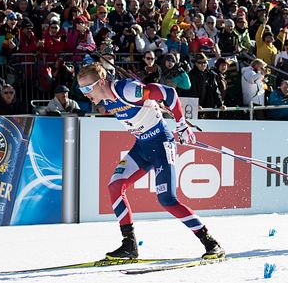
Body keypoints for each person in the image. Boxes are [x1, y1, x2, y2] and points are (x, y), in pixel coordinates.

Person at [76, 62, 224, 260]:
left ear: (101, 82)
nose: (85, 93)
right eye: (81, 89)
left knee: (167, 200)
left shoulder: (127, 91)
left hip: (161, 146)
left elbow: (169, 93)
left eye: (87, 88)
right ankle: (129, 245)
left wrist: (181, 125)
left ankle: (211, 243)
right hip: (142, 147)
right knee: (115, 186)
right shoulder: (106, 100)